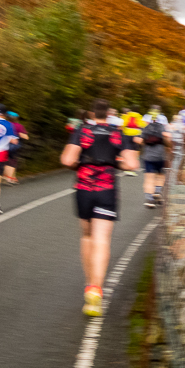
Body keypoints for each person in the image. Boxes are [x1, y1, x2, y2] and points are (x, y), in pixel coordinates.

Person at [61, 98, 139, 317]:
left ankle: (89, 285)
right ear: (109, 114)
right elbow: (132, 164)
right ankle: (97, 287)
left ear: (91, 113)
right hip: (107, 189)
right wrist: (114, 162)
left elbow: (67, 160)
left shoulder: (82, 130)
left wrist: (82, 162)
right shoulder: (118, 132)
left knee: (86, 237)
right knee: (102, 239)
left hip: (84, 188)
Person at [137, 104, 169, 209]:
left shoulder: (146, 125)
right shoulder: (163, 122)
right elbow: (167, 137)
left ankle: (149, 199)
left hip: (148, 155)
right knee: (160, 175)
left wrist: (144, 145)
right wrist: (169, 147)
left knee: (149, 178)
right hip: (160, 155)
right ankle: (157, 192)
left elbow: (139, 140)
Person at [3, 111, 29, 185]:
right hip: (13, 145)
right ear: (16, 118)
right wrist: (25, 136)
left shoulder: (4, 124)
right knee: (13, 161)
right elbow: (24, 136)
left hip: (3, 145)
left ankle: (9, 177)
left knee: (6, 160)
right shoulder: (18, 126)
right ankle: (9, 178)